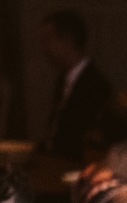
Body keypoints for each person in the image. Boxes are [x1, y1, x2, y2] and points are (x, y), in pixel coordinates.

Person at [38, 9, 113, 162]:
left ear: (67, 41)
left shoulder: (95, 85)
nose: (44, 50)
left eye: (48, 40)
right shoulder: (63, 80)